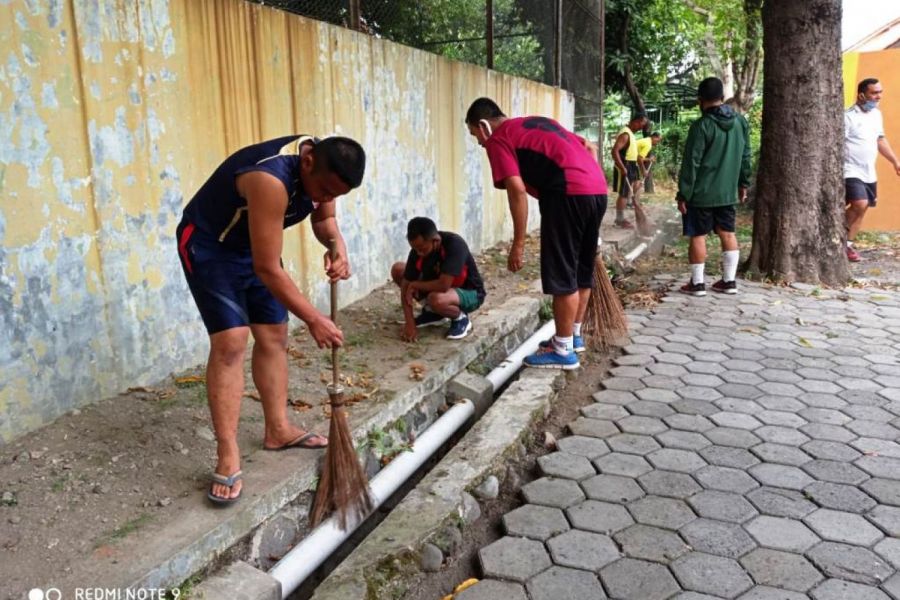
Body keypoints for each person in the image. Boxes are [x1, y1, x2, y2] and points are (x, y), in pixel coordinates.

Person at [176, 134, 366, 506]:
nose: (328, 199)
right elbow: (267, 268)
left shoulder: (324, 174)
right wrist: (314, 318)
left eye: (337, 195)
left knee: (274, 336)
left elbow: (324, 220)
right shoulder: (270, 180)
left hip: (252, 246)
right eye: (326, 190)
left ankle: (277, 428)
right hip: (210, 247)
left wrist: (336, 246)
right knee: (231, 341)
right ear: (308, 163)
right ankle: (227, 452)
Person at [465, 97, 608, 369]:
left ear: (484, 126)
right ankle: (573, 336)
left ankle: (563, 350)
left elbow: (516, 189)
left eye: (475, 135)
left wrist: (518, 243)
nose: (479, 143)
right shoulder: (539, 123)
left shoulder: (498, 139)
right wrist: (587, 182)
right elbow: (589, 146)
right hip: (597, 189)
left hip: (565, 194)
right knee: (581, 270)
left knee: (563, 272)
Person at [676, 77, 751, 296]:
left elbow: (691, 163)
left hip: (701, 194)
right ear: (721, 98)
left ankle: (697, 284)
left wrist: (683, 194)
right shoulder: (740, 122)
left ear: (700, 100)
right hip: (727, 193)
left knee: (698, 235)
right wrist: (743, 183)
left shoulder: (701, 126)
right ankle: (729, 282)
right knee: (728, 232)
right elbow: (745, 156)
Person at [390, 217, 486, 342]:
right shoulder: (417, 250)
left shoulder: (454, 244)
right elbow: (405, 287)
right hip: (440, 290)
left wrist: (415, 285)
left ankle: (460, 317)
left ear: (435, 241)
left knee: (436, 299)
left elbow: (443, 285)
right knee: (398, 270)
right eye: (415, 249)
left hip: (470, 293)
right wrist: (410, 323)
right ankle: (434, 313)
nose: (419, 253)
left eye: (422, 249)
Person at [844, 77, 900, 262]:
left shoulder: (877, 115)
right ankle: (832, 235)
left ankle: (847, 246)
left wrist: (894, 161)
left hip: (868, 171)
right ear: (861, 94)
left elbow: (880, 140)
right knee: (859, 203)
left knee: (864, 207)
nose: (878, 96)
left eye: (880, 92)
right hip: (850, 169)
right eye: (874, 93)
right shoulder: (848, 116)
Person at [610, 111, 650, 228]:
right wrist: (622, 167)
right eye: (641, 125)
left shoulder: (631, 134)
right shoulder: (625, 134)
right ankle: (619, 220)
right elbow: (614, 151)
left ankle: (632, 208)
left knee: (629, 190)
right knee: (623, 193)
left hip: (631, 165)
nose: (641, 128)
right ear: (636, 121)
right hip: (625, 165)